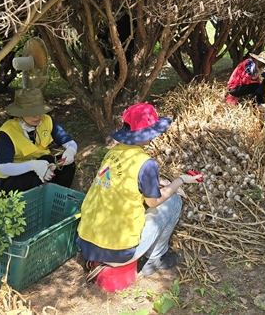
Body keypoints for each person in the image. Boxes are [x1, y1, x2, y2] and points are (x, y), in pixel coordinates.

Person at [76, 103, 203, 278]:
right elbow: (153, 202)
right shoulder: (146, 163)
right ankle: (154, 259)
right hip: (117, 252)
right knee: (173, 201)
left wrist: (160, 181)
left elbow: (122, 176)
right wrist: (179, 181)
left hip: (87, 243)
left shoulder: (112, 153)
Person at [0, 88, 77, 193]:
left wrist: (71, 151)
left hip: (43, 165)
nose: (38, 116)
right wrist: (33, 166)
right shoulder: (7, 133)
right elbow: (3, 169)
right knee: (38, 176)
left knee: (67, 165)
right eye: (32, 112)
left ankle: (59, 195)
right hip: (12, 180)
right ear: (20, 113)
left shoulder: (47, 120)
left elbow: (69, 142)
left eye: (40, 111)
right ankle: (39, 202)